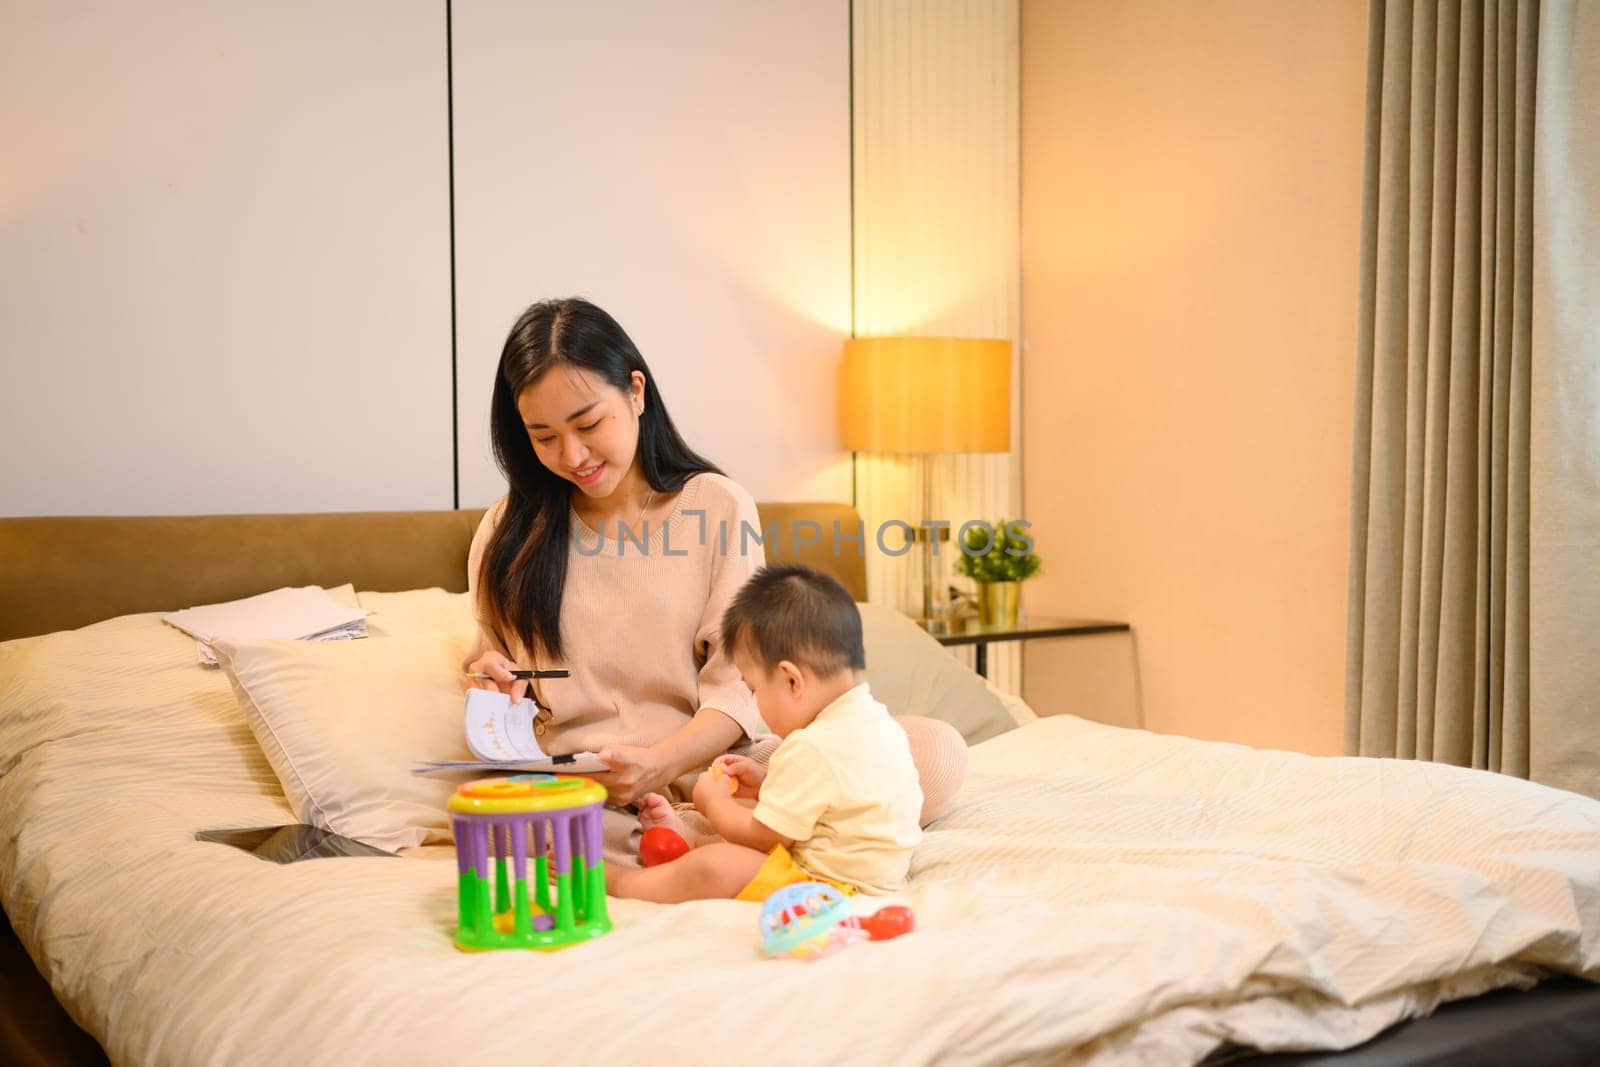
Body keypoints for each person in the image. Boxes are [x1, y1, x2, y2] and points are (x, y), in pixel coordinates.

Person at [465, 296, 966, 866]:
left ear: (635, 391)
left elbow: (737, 685)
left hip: (716, 768)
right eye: (544, 436)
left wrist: (663, 764)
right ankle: (722, 839)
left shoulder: (716, 506)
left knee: (934, 751)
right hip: (589, 786)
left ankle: (700, 832)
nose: (572, 454)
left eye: (588, 424)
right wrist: (490, 685)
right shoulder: (508, 531)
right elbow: (496, 672)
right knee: (505, 827)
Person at [608, 565, 922, 902]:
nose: (755, 704)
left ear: (791, 680)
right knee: (739, 818)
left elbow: (764, 839)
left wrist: (712, 804)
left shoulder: (811, 746)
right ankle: (686, 839)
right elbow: (828, 800)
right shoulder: (878, 722)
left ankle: (621, 882)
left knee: (717, 865)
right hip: (878, 877)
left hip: (827, 887)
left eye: (755, 688)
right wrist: (764, 783)